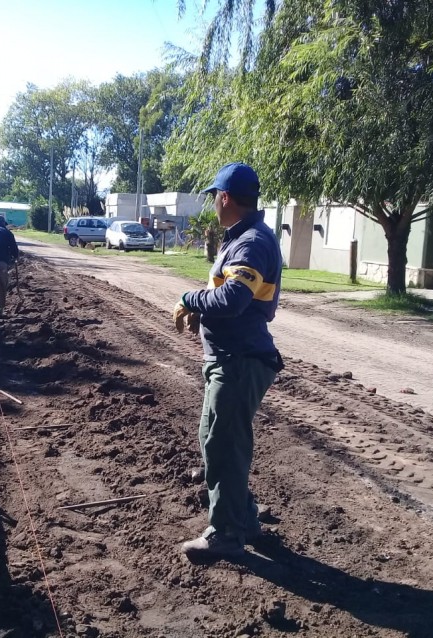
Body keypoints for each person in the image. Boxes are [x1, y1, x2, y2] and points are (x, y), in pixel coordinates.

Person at [173, 162, 284, 561]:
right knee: (216, 443)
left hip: (240, 363)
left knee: (224, 444)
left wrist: (190, 300)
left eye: (213, 198)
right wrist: (204, 313)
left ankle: (227, 533)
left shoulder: (251, 242)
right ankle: (246, 517)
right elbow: (234, 298)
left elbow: (233, 300)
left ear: (224, 198)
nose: (213, 207)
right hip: (228, 359)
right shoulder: (239, 238)